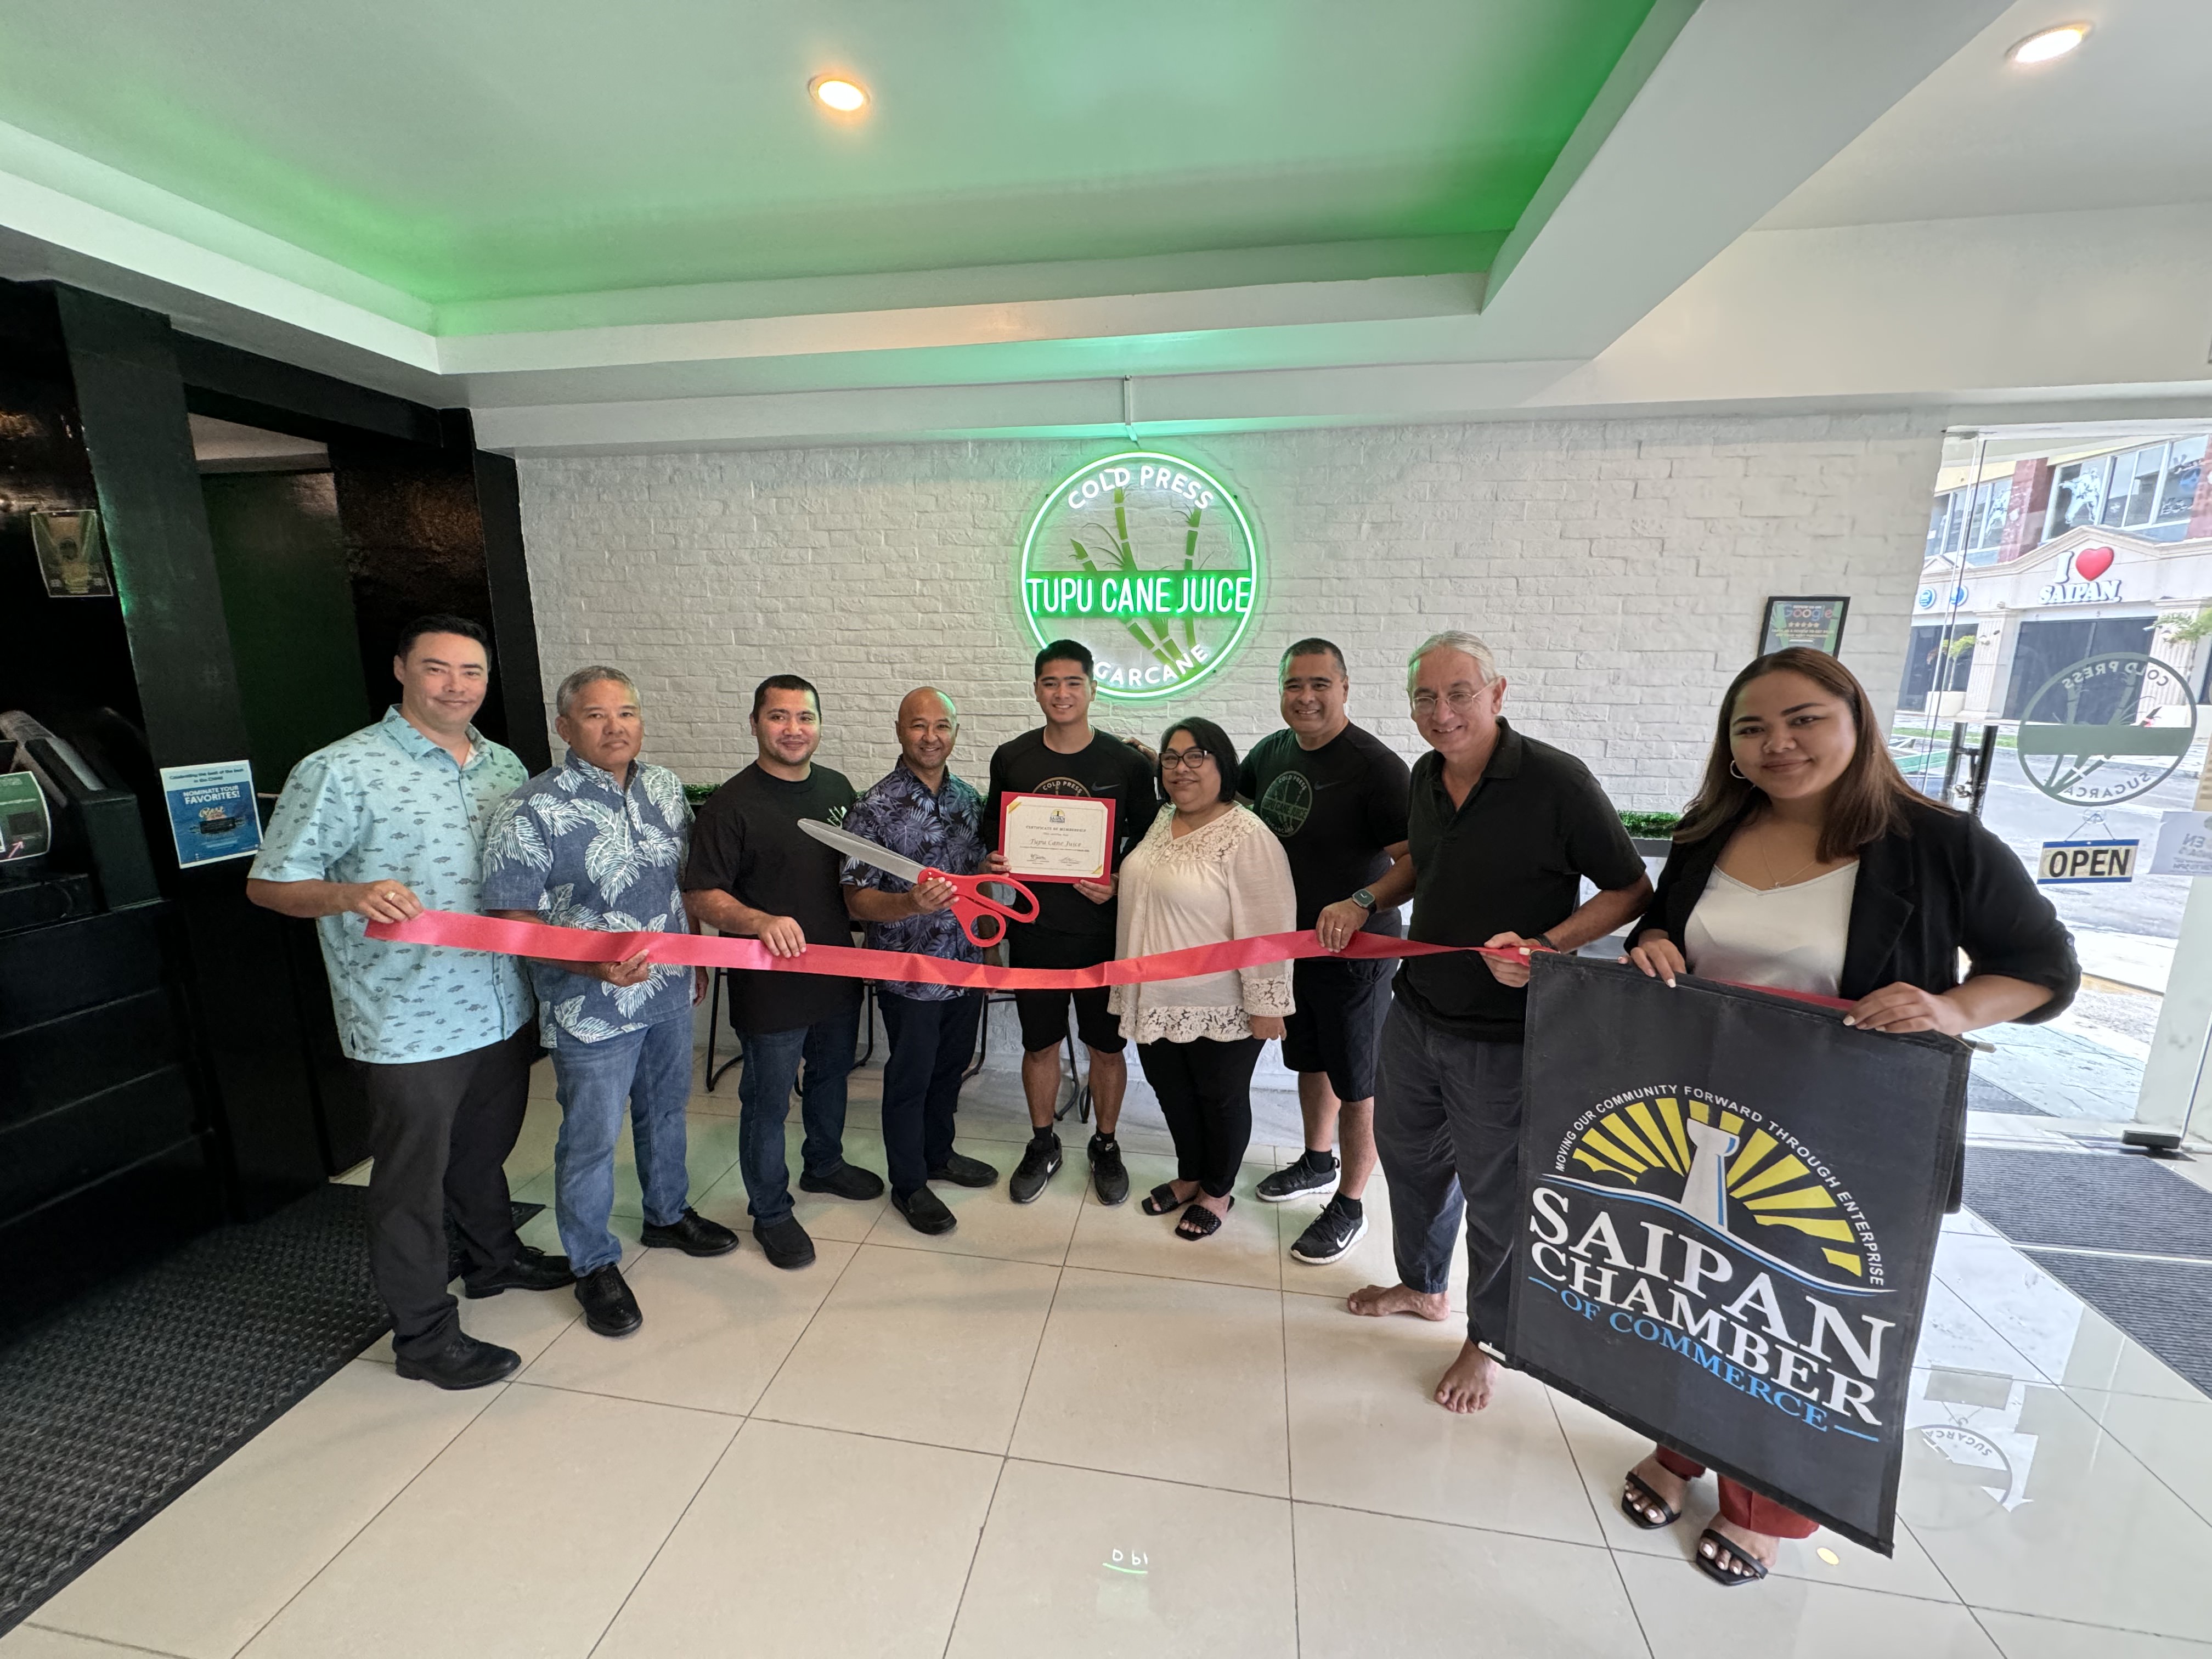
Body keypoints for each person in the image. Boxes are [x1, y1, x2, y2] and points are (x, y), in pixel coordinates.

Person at [1616, 646, 2076, 1587]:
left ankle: (1765, 1505)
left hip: (1847, 1132)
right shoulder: (1712, 830)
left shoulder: (1937, 842)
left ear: (1857, 721)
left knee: (1800, 1323)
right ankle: (1680, 1445)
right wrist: (1653, 939)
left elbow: (2043, 967)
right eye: (1753, 728)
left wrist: (1950, 1008)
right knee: (1695, 1293)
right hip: (1706, 1115)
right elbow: (1663, 924)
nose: (1778, 744)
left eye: (1804, 720)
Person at [246, 615, 572, 1390]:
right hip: (407, 1019)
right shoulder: (339, 769)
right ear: (400, 670)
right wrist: (349, 893)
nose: (456, 686)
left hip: (499, 1001)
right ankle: (424, 1336)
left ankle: (494, 1258)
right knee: (411, 1183)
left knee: (482, 1152)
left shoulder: (503, 764)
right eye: (436, 668)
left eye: (471, 672)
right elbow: (269, 884)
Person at [1350, 631, 1652, 1414]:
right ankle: (1424, 1286)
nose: (1441, 712)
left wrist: (1549, 946)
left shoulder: (1556, 781)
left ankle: (1488, 1341)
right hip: (1416, 1011)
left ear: (1497, 693)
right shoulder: (1426, 775)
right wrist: (1365, 899)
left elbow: (1630, 889)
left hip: (1504, 1034)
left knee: (1497, 1197)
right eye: (1425, 697)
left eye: (1459, 694)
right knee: (1408, 1159)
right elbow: (1423, 862)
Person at [482, 667, 738, 1339]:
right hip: (587, 1005)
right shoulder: (530, 807)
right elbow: (510, 919)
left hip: (668, 989)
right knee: (591, 1139)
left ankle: (667, 1214)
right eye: (596, 715)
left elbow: (686, 883)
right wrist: (590, 963)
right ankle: (593, 1262)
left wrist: (694, 954)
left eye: (626, 712)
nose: (615, 726)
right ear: (564, 727)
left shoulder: (665, 788)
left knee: (666, 1112)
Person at [682, 675, 883, 1271]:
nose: (793, 729)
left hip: (835, 970)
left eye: (805, 717)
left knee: (831, 1075)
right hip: (769, 981)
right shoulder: (731, 804)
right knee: (767, 1102)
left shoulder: (838, 789)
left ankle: (824, 1164)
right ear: (754, 724)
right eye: (778, 717)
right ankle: (770, 1211)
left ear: (819, 725)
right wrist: (759, 920)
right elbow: (701, 894)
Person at [1239, 637, 1412, 1265]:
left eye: (1319, 684)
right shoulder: (1271, 753)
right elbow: (1226, 805)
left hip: (1357, 956)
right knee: (1310, 1060)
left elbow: (1415, 861)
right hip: (1293, 948)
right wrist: (1165, 763)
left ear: (1344, 688)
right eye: (1294, 685)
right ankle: (1317, 1161)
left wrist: (1361, 901)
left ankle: (1352, 1204)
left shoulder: (1376, 767)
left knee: (1358, 1081)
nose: (1306, 697)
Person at [982, 640, 1156, 1207]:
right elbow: (993, 839)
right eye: (1050, 683)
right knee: (1040, 1045)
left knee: (1107, 1048)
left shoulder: (1127, 764)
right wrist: (994, 861)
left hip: (1104, 934)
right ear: (1036, 689)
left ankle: (1105, 1144)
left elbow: (1153, 845)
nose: (1062, 693)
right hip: (1034, 930)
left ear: (1093, 689)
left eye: (1073, 682)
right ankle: (1043, 1143)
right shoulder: (1012, 757)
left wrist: (1119, 881)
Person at [1114, 718, 1295, 1239]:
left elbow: (1270, 924)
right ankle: (1191, 1174)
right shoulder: (1163, 819)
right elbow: (1157, 884)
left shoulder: (1246, 834)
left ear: (1223, 764)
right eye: (1172, 758)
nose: (1181, 769)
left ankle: (1217, 1190)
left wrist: (1268, 1004)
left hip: (1222, 1002)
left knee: (1220, 1099)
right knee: (1172, 1092)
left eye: (1196, 756)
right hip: (1153, 995)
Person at [840, 687, 1001, 1235]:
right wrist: (909, 904)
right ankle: (909, 1184)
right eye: (918, 725)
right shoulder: (872, 807)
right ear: (899, 730)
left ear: (955, 732)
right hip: (908, 972)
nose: (931, 737)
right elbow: (855, 900)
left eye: (942, 726)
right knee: (910, 1078)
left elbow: (978, 884)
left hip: (966, 964)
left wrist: (989, 936)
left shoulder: (969, 800)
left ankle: (939, 1154)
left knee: (951, 1068)